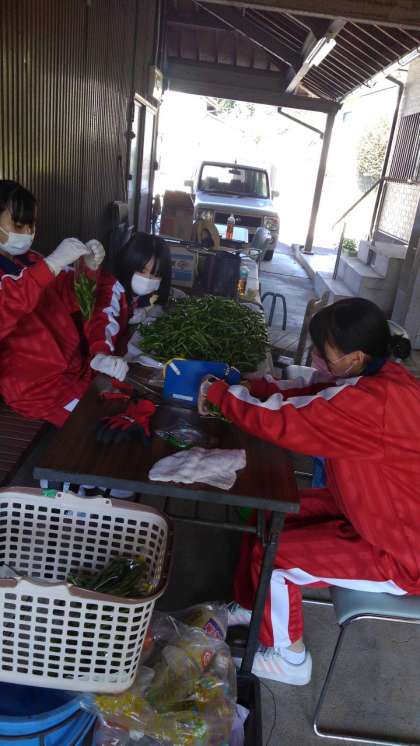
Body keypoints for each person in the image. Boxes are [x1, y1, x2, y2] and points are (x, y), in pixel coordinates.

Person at [198, 297, 419, 685]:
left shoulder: (373, 403)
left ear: (355, 356)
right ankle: (255, 606)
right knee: (270, 512)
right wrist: (255, 387)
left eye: (324, 351)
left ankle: (290, 658)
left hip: (400, 551)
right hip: (370, 514)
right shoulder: (379, 376)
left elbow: (289, 420)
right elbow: (315, 390)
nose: (317, 357)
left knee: (278, 557)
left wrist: (222, 397)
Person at [0, 179, 128, 426]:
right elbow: (8, 305)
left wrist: (87, 268)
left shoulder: (31, 260)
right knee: (99, 425)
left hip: (74, 368)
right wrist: (50, 266)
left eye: (31, 224)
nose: (27, 233)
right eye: (18, 225)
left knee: (123, 405)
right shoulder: (36, 267)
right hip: (35, 389)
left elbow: (74, 298)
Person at [113, 231, 172, 328]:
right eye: (142, 271)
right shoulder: (113, 292)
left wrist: (145, 310)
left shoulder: (153, 294)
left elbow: (156, 299)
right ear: (129, 264)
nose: (147, 279)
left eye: (155, 274)